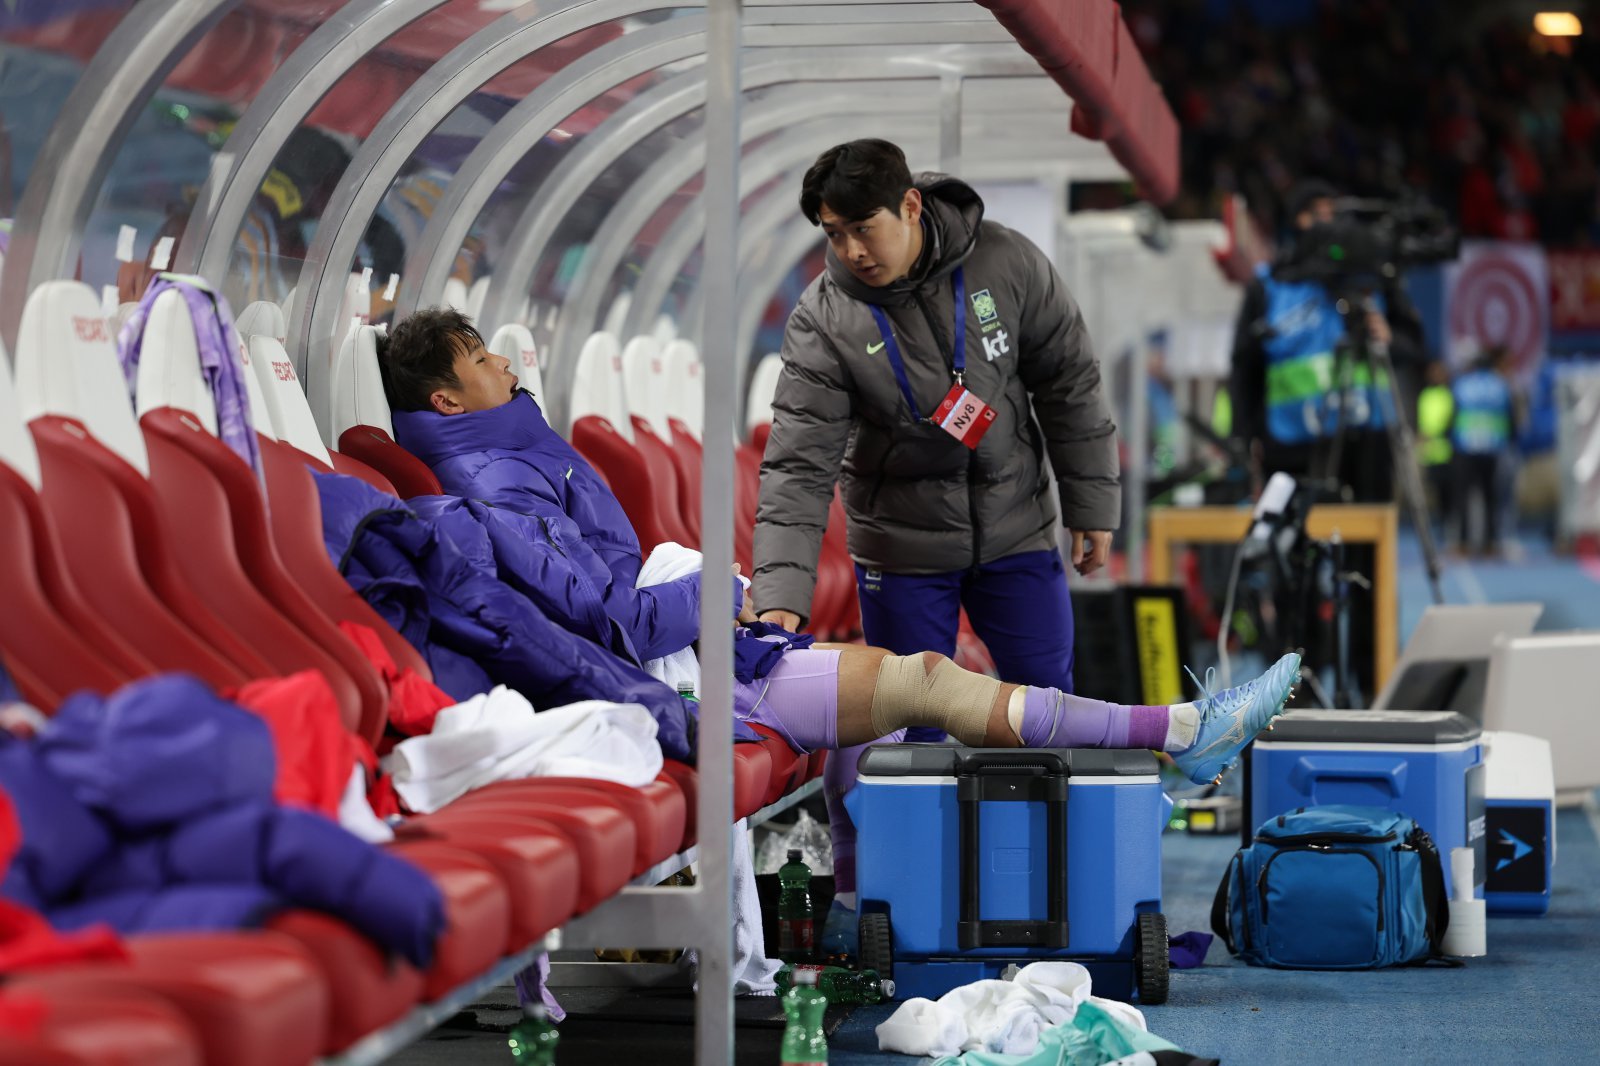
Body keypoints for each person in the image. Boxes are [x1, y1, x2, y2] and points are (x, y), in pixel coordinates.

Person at [375, 307, 1299, 950]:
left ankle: (859, 911)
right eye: (481, 358)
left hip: (696, 652)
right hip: (676, 676)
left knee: (893, 698)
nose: (506, 363)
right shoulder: (497, 484)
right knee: (919, 684)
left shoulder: (518, 459)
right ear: (448, 401)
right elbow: (614, 622)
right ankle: (1181, 731)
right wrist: (719, 591)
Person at [1228, 179, 1427, 504]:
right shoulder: (1269, 286)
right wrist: (1241, 437)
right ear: (1296, 221)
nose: (1328, 223)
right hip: (1290, 444)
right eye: (1316, 214)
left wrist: (1388, 338)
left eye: (1333, 213)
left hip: (1366, 443)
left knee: (1368, 533)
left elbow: (1414, 345)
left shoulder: (1372, 278)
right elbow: (1244, 368)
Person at [1449, 346, 1521, 557]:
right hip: (1492, 447)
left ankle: (1463, 542)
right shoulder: (1500, 385)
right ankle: (1490, 543)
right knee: (1491, 497)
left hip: (1466, 447)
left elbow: (1454, 415)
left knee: (1463, 497)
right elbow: (1510, 417)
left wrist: (1451, 439)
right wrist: (1511, 440)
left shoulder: (1463, 385)